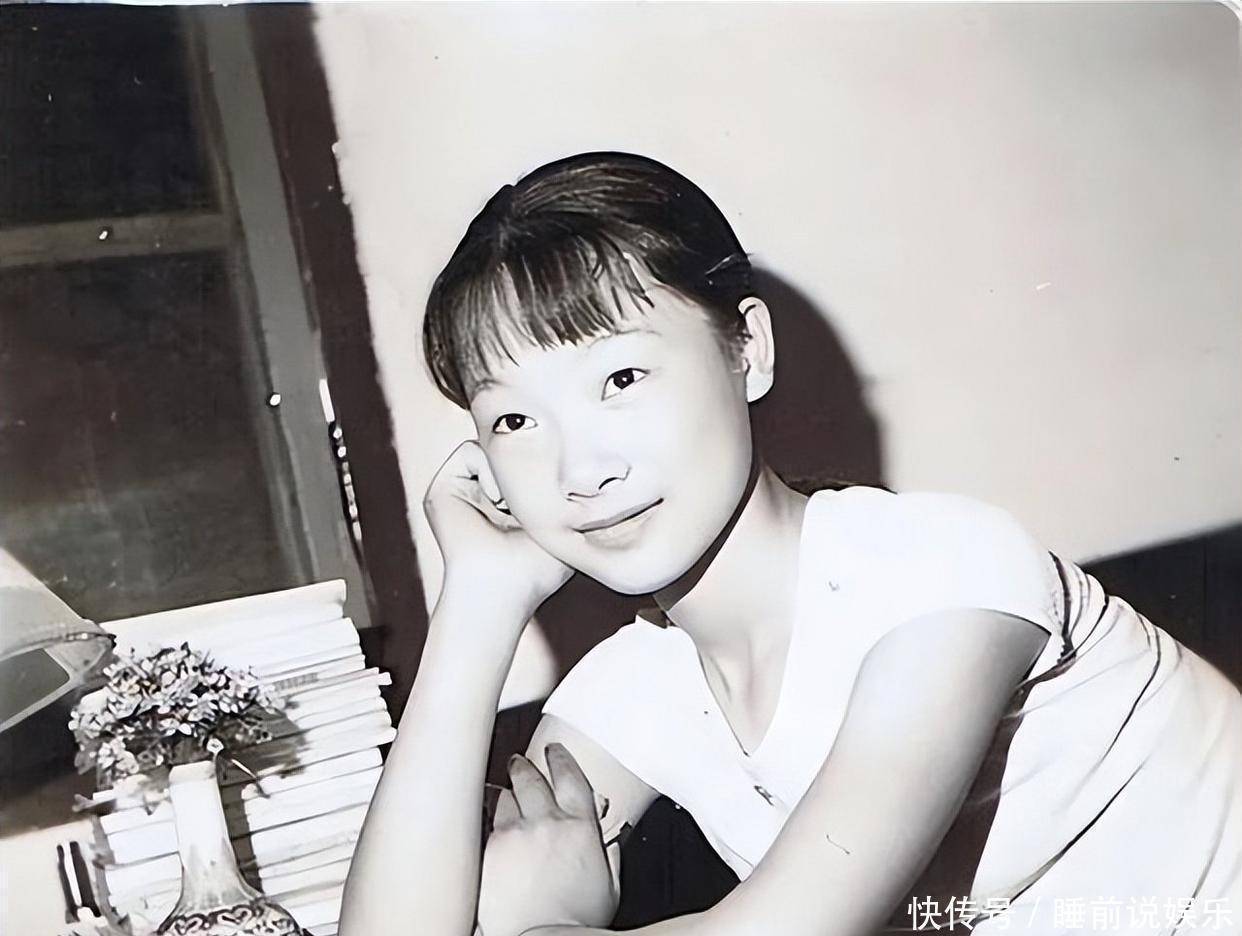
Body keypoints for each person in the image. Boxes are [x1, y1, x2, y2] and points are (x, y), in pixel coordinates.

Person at [339, 152, 1242, 936]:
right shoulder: (638, 687)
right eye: (514, 421)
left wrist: (544, 927)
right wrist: (480, 601)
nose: (580, 471)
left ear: (749, 349)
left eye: (621, 377)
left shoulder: (943, 575)